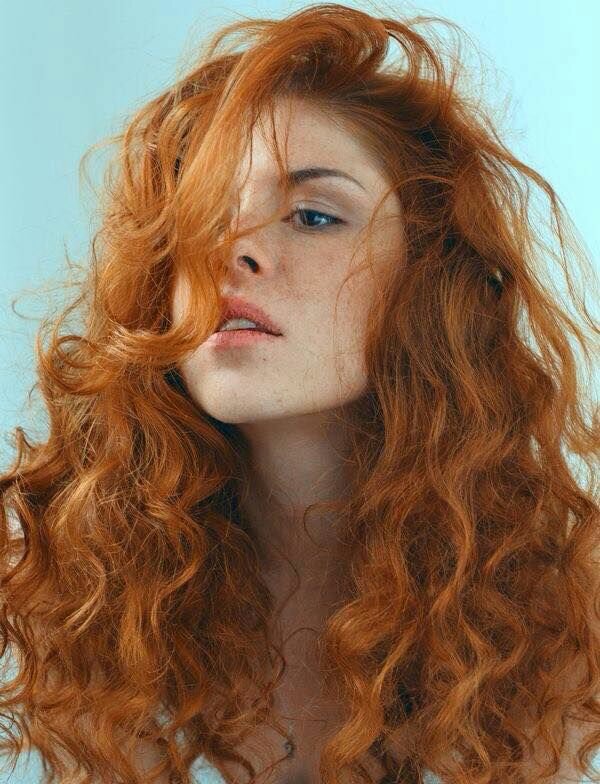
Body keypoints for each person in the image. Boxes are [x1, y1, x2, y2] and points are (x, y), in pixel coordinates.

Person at [0, 3, 598, 784]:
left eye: (313, 216)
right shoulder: (63, 576)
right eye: (204, 218)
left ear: (430, 279)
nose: (232, 253)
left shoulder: (563, 602)